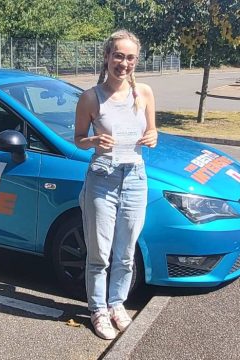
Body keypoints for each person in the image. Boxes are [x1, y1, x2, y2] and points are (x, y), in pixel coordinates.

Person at [74, 29, 157, 340]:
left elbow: (153, 132)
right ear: (107, 57)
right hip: (102, 179)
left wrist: (152, 137)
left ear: (136, 61)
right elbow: (79, 140)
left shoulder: (144, 93)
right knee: (99, 254)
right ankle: (97, 309)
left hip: (135, 177)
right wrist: (93, 139)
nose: (124, 62)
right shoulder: (90, 98)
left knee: (125, 252)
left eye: (130, 57)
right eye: (118, 55)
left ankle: (116, 304)